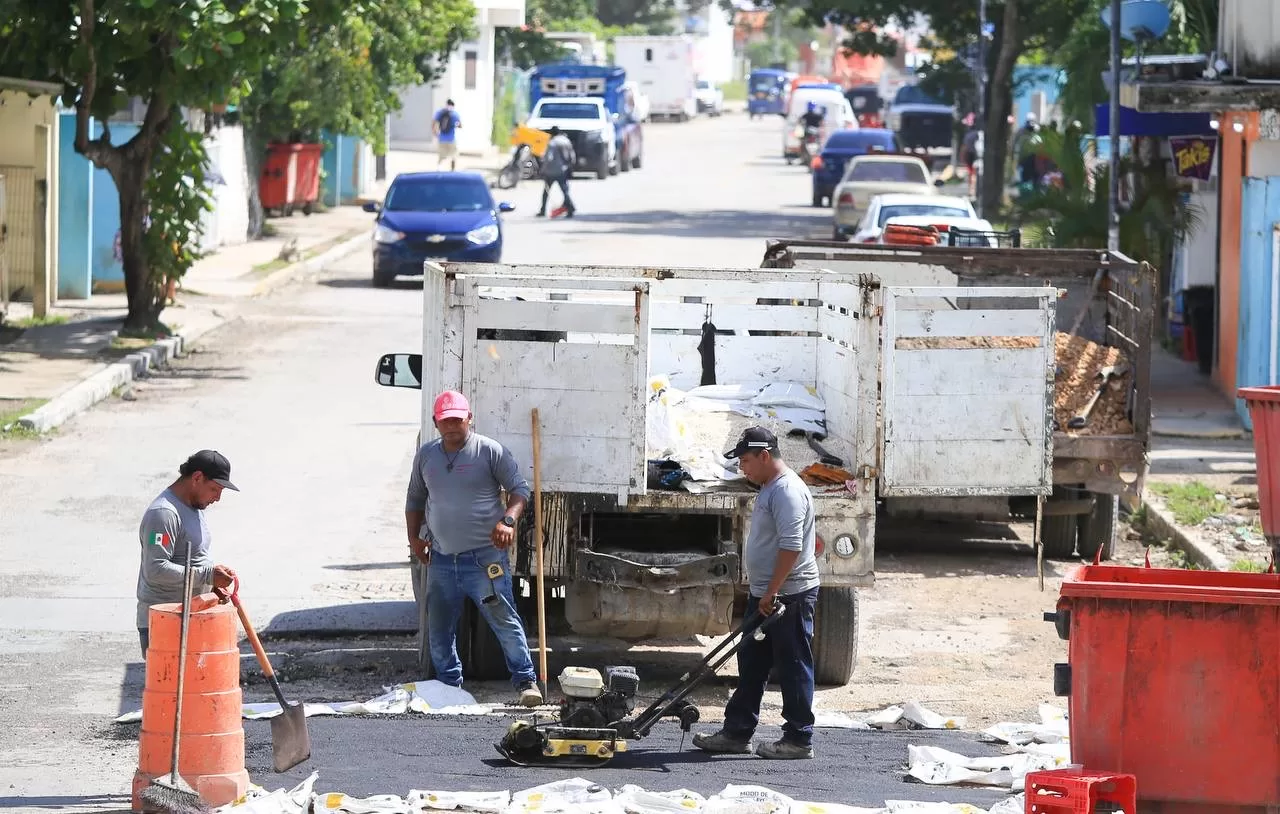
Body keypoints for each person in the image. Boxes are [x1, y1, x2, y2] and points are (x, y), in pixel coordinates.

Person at [405, 390, 543, 707]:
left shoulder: (489, 451)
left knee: (503, 620)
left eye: (457, 419)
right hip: (442, 559)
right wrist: (414, 540)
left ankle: (526, 682)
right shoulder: (426, 456)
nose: (452, 426)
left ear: (469, 418)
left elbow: (519, 490)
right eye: (446, 420)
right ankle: (448, 687)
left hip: (484, 559)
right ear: (435, 423)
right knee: (439, 627)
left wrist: (508, 520)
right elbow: (414, 499)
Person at [693, 427, 820, 760]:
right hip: (767, 595)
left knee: (793, 665)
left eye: (746, 461)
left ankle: (798, 739)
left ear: (764, 456)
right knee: (751, 663)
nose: (742, 468)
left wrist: (772, 591)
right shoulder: (769, 487)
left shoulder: (787, 491)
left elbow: (791, 547)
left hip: (787, 596)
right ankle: (737, 732)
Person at [136, 450, 239, 659]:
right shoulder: (163, 514)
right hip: (166, 621)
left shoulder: (194, 507)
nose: (217, 498)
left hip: (191, 618)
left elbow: (192, 558)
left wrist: (212, 586)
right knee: (170, 680)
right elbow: (155, 569)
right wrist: (207, 576)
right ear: (197, 478)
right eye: (214, 489)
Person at [537, 126, 576, 218]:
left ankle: (543, 210)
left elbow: (549, 158)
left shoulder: (552, 143)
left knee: (546, 192)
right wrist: (570, 167)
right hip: (563, 170)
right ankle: (570, 208)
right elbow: (572, 156)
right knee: (565, 191)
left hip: (551, 171)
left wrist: (542, 169)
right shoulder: (566, 141)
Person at [433, 99, 461, 171]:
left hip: (442, 138)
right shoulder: (455, 114)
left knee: (441, 155)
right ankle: (452, 170)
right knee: (454, 155)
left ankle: (439, 168)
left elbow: (434, 122)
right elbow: (460, 125)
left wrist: (435, 133)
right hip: (451, 139)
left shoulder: (440, 112)